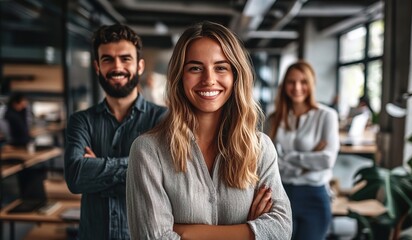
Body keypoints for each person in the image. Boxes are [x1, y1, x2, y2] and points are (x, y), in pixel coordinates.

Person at [126, 21, 292, 240]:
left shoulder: (259, 148)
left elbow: (280, 230)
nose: (209, 80)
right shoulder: (148, 151)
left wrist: (185, 232)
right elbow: (153, 238)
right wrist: (250, 232)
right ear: (180, 76)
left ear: (235, 76)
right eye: (195, 68)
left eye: (221, 67)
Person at [64, 24, 167, 240]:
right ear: (97, 66)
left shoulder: (162, 120)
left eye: (125, 58)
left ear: (139, 66)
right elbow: (75, 178)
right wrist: (140, 168)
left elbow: (166, 182)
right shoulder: (81, 121)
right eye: (107, 59)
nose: (117, 66)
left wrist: (97, 166)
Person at [265, 60, 339, 240]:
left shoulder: (326, 116)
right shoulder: (273, 119)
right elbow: (266, 161)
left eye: (303, 82)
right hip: (278, 194)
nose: (297, 87)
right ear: (284, 86)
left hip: (314, 196)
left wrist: (285, 157)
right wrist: (310, 157)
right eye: (291, 82)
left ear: (311, 84)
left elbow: (327, 160)